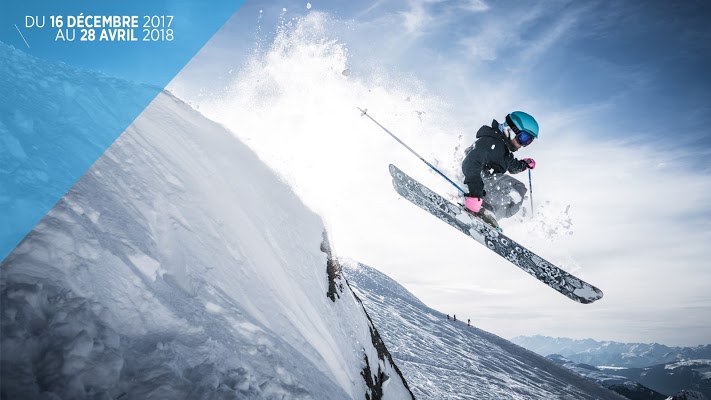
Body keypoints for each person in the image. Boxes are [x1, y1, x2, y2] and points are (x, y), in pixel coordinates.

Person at [461, 111, 538, 228]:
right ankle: (484, 210)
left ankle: (489, 217)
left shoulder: (504, 152)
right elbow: (471, 162)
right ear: (510, 129)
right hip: (473, 183)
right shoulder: (491, 141)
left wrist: (524, 164)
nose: (523, 144)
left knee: (515, 199)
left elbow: (512, 166)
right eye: (523, 138)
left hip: (481, 186)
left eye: (528, 141)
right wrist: (475, 194)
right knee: (517, 189)